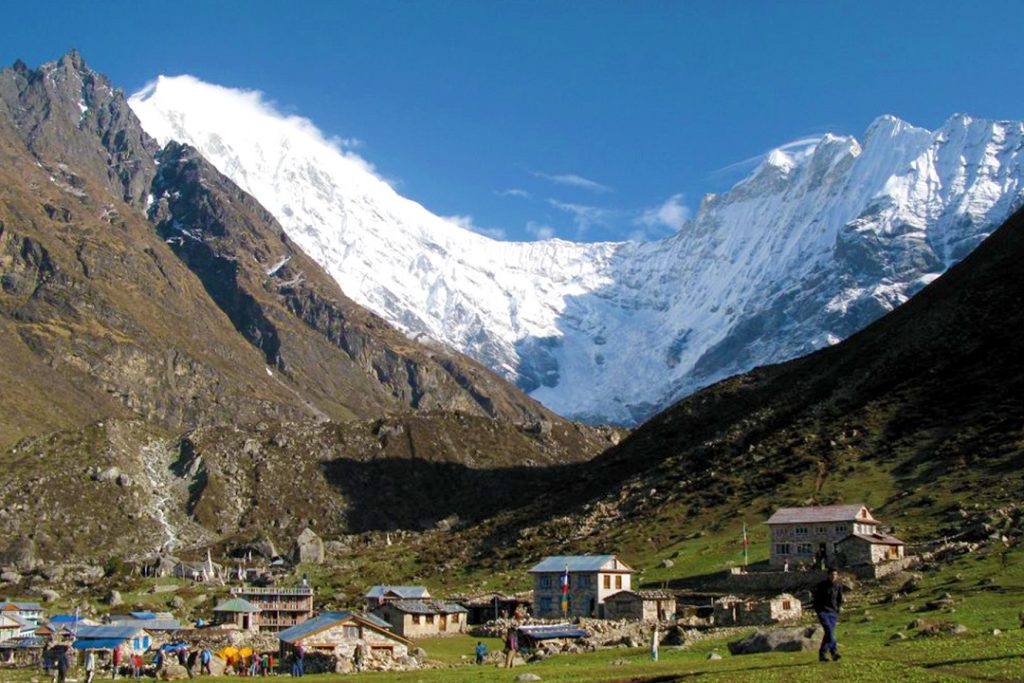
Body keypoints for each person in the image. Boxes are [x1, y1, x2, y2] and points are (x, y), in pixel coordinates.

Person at [813, 567, 845, 662]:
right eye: (831, 574)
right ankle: (834, 652)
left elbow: (839, 599)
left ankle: (822, 654)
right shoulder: (821, 585)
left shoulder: (838, 586)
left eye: (835, 575)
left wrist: (837, 609)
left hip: (833, 612)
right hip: (823, 612)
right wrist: (818, 610)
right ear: (828, 575)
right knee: (829, 631)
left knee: (828, 633)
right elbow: (816, 599)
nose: (833, 576)